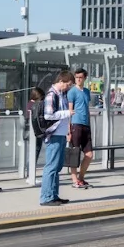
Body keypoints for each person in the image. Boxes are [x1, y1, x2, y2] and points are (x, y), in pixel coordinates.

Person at [40, 70, 74, 205]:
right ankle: (46, 197)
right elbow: (48, 115)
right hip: (53, 134)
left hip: (60, 134)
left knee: (57, 166)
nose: (68, 87)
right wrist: (67, 113)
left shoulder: (61, 94)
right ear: (61, 81)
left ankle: (54, 195)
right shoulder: (51, 95)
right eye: (67, 84)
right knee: (51, 166)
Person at [67, 67, 95, 190]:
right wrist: (68, 129)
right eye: (76, 77)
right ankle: (74, 180)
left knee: (89, 154)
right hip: (75, 124)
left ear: (84, 78)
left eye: (80, 77)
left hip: (85, 125)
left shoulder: (87, 92)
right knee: (75, 153)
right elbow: (70, 110)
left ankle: (81, 178)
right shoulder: (72, 92)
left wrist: (89, 123)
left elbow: (86, 108)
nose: (78, 79)